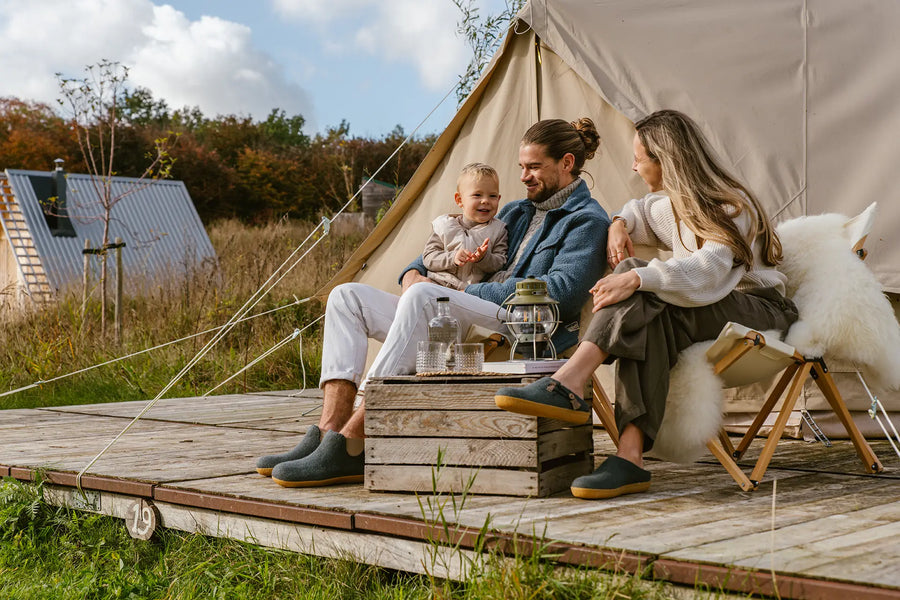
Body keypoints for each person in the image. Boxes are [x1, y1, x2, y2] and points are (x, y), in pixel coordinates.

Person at [256, 117, 611, 488]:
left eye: (533, 167)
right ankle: (328, 430)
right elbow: (450, 242)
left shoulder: (587, 220)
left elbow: (563, 291)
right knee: (347, 296)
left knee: (427, 295)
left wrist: (464, 294)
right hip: (464, 313)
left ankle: (354, 440)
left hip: (521, 326)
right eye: (522, 166)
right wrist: (413, 271)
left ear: (566, 163)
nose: (523, 176)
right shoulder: (515, 211)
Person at [494, 110, 799, 500]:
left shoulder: (731, 207)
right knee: (649, 318)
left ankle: (570, 381)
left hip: (760, 310)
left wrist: (638, 277)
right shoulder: (672, 206)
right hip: (708, 311)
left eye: (639, 159)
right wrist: (618, 223)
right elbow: (637, 210)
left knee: (638, 279)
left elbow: (709, 271)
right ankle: (630, 457)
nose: (634, 167)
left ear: (666, 160)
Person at [423, 162, 508, 290]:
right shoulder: (444, 226)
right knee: (417, 291)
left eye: (492, 196)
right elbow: (429, 258)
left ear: (499, 199)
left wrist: (484, 258)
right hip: (440, 284)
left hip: (472, 291)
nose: (485, 201)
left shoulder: (498, 230)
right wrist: (452, 257)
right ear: (459, 200)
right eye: (477, 195)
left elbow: (500, 262)